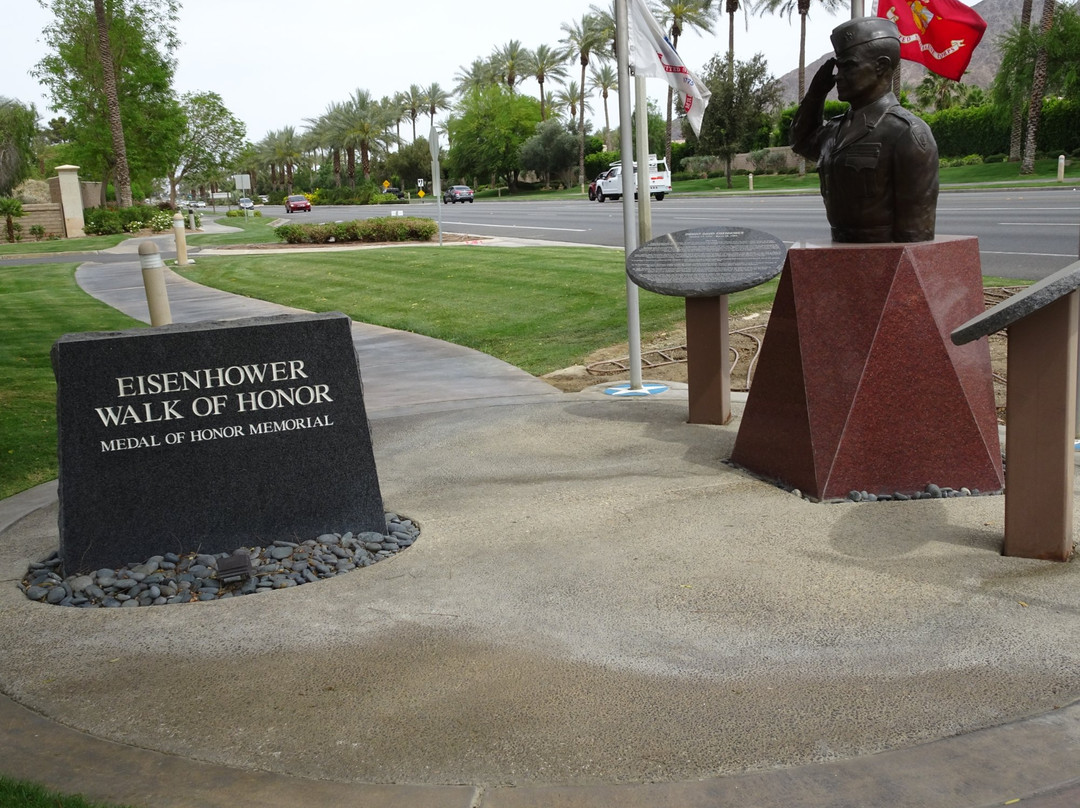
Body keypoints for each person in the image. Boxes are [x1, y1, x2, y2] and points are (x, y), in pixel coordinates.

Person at [790, 17, 938, 243]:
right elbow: (800, 142)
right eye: (838, 67)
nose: (838, 75)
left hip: (881, 262)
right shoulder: (834, 130)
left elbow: (915, 234)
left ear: (880, 66)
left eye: (848, 65)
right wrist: (815, 94)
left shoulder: (906, 133)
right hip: (840, 251)